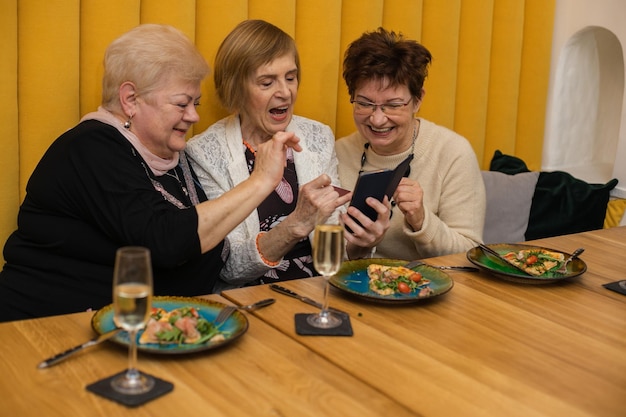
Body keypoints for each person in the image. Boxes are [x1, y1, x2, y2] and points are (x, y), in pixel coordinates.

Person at [0, 24, 301, 321]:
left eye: (195, 104)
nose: (194, 116)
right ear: (130, 99)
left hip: (143, 329)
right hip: (43, 328)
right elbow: (165, 241)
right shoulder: (90, 147)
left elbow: (204, 246)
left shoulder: (172, 157)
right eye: (182, 104)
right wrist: (261, 180)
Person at [186, 20, 361, 291]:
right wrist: (295, 226)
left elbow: (334, 247)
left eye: (290, 78)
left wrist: (362, 243)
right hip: (251, 300)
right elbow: (229, 269)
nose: (285, 92)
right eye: (267, 82)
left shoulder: (317, 136)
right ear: (236, 88)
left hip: (321, 291)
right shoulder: (205, 153)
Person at [335, 27, 486, 260]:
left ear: (417, 100)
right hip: (354, 285)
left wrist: (421, 220)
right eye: (364, 103)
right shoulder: (338, 153)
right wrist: (358, 246)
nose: (377, 119)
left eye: (393, 105)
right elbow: (326, 253)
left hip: (429, 288)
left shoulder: (453, 153)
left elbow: (470, 253)